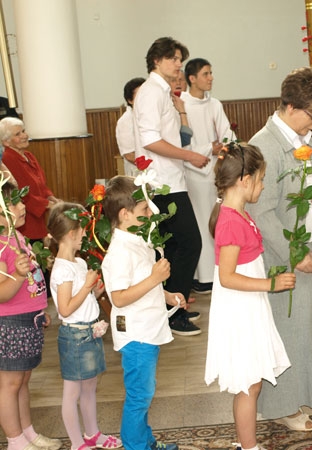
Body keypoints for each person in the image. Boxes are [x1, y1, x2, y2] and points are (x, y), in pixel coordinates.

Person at [246, 67, 312, 431]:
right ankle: (282, 405)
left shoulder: (301, 138)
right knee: (288, 329)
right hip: (283, 252)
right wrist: (294, 254)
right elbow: (260, 211)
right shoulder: (265, 145)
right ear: (291, 106)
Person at [205, 143, 294, 450]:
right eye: (260, 179)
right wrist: (270, 284)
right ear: (244, 180)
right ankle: (249, 447)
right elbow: (227, 277)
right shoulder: (230, 220)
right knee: (248, 383)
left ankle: (248, 444)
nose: (263, 185)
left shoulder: (237, 213)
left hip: (249, 304)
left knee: (252, 382)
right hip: (239, 309)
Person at [101, 175, 184, 450]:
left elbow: (143, 285)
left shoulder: (138, 241)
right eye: (145, 209)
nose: (151, 213)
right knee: (139, 396)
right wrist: (154, 278)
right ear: (125, 214)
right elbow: (119, 298)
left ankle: (146, 441)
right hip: (136, 334)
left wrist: (167, 295)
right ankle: (135, 445)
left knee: (144, 393)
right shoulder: (119, 253)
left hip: (147, 329)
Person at [133, 36, 207, 336]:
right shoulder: (151, 92)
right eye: (173, 59)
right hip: (161, 182)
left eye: (180, 59)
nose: (178, 64)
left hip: (170, 179)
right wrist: (190, 156)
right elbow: (150, 140)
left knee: (175, 247)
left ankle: (173, 307)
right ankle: (175, 312)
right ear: (156, 60)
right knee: (190, 244)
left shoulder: (162, 91)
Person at [47, 202, 122, 450]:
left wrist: (95, 291)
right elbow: (65, 309)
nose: (84, 235)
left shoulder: (78, 263)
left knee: (90, 387)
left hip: (89, 333)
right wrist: (87, 287)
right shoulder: (62, 270)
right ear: (71, 233)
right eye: (82, 230)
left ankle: (92, 434)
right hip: (74, 337)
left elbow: (81, 299)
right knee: (72, 393)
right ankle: (77, 443)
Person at [0, 181, 61, 450]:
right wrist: (17, 274)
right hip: (9, 323)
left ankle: (28, 433)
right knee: (10, 384)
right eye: (13, 203)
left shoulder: (17, 237)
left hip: (28, 319)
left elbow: (31, 285)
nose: (22, 206)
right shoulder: (0, 245)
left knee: (23, 381)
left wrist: (39, 309)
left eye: (20, 200)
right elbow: (2, 293)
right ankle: (15, 440)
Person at [182, 58, 236, 295]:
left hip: (215, 171)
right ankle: (202, 277)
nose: (211, 78)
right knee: (200, 223)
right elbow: (181, 142)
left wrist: (226, 146)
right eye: (206, 74)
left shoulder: (214, 104)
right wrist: (207, 149)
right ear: (192, 78)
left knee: (216, 221)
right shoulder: (181, 105)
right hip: (194, 171)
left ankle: (217, 273)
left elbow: (226, 133)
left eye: (211, 73)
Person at [0, 117, 59, 242]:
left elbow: (41, 183)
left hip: (39, 219)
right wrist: (48, 205)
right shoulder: (7, 159)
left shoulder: (29, 155)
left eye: (23, 131)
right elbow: (19, 193)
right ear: (6, 142)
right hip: (25, 223)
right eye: (18, 134)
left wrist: (51, 197)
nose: (24, 135)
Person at [116, 77, 145, 176]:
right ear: (130, 100)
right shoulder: (125, 120)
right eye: (140, 95)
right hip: (140, 173)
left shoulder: (151, 114)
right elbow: (129, 155)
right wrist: (152, 166)